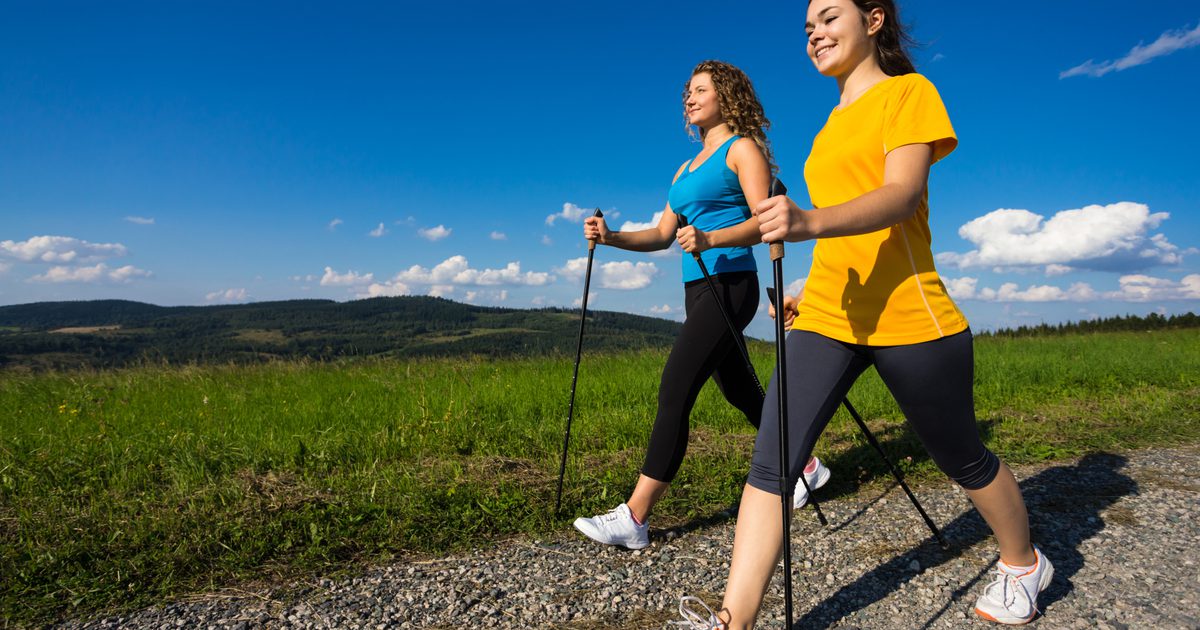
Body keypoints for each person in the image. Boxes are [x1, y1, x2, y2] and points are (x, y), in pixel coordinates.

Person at [675, 1, 1054, 627]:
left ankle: (1022, 562)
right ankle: (731, 621)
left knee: (962, 457)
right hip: (828, 313)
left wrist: (805, 221)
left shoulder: (908, 94)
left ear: (873, 21)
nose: (815, 34)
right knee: (772, 460)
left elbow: (900, 197)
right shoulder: (827, 129)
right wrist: (804, 284)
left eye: (828, 18)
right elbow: (839, 237)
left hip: (909, 313)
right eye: (807, 28)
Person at [573, 60, 831, 551]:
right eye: (686, 93)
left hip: (732, 281)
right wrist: (611, 238)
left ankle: (636, 517)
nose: (688, 99)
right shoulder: (685, 169)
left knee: (675, 389)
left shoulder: (742, 150)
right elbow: (662, 234)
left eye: (699, 90)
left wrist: (711, 237)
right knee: (739, 390)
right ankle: (807, 467)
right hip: (699, 290)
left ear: (726, 96)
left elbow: (766, 221)